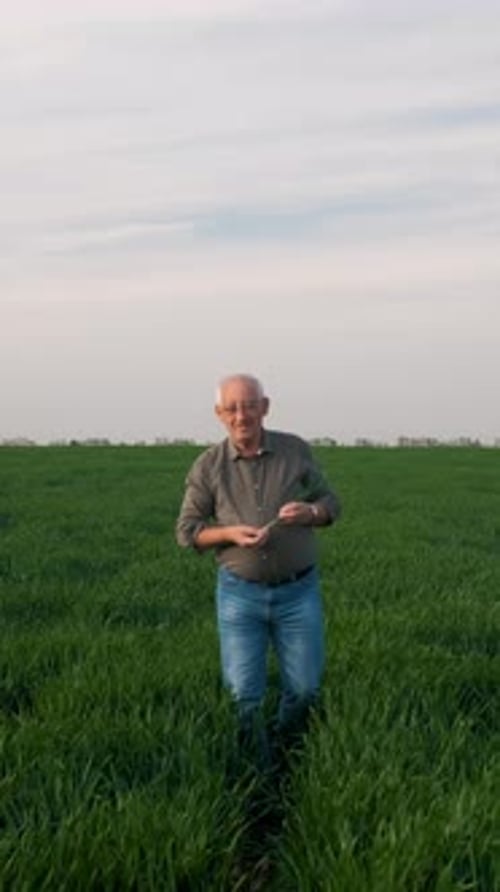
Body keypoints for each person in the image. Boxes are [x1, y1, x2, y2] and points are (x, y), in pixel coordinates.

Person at [176, 373, 340, 772]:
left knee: (305, 689)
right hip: (240, 596)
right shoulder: (208, 466)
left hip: (298, 593)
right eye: (231, 408)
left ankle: (289, 754)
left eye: (249, 405)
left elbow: (330, 501)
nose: (241, 415)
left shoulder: (294, 450)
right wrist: (229, 533)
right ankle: (257, 771)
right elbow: (187, 532)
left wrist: (311, 512)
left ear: (265, 407)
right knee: (243, 697)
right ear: (219, 413)